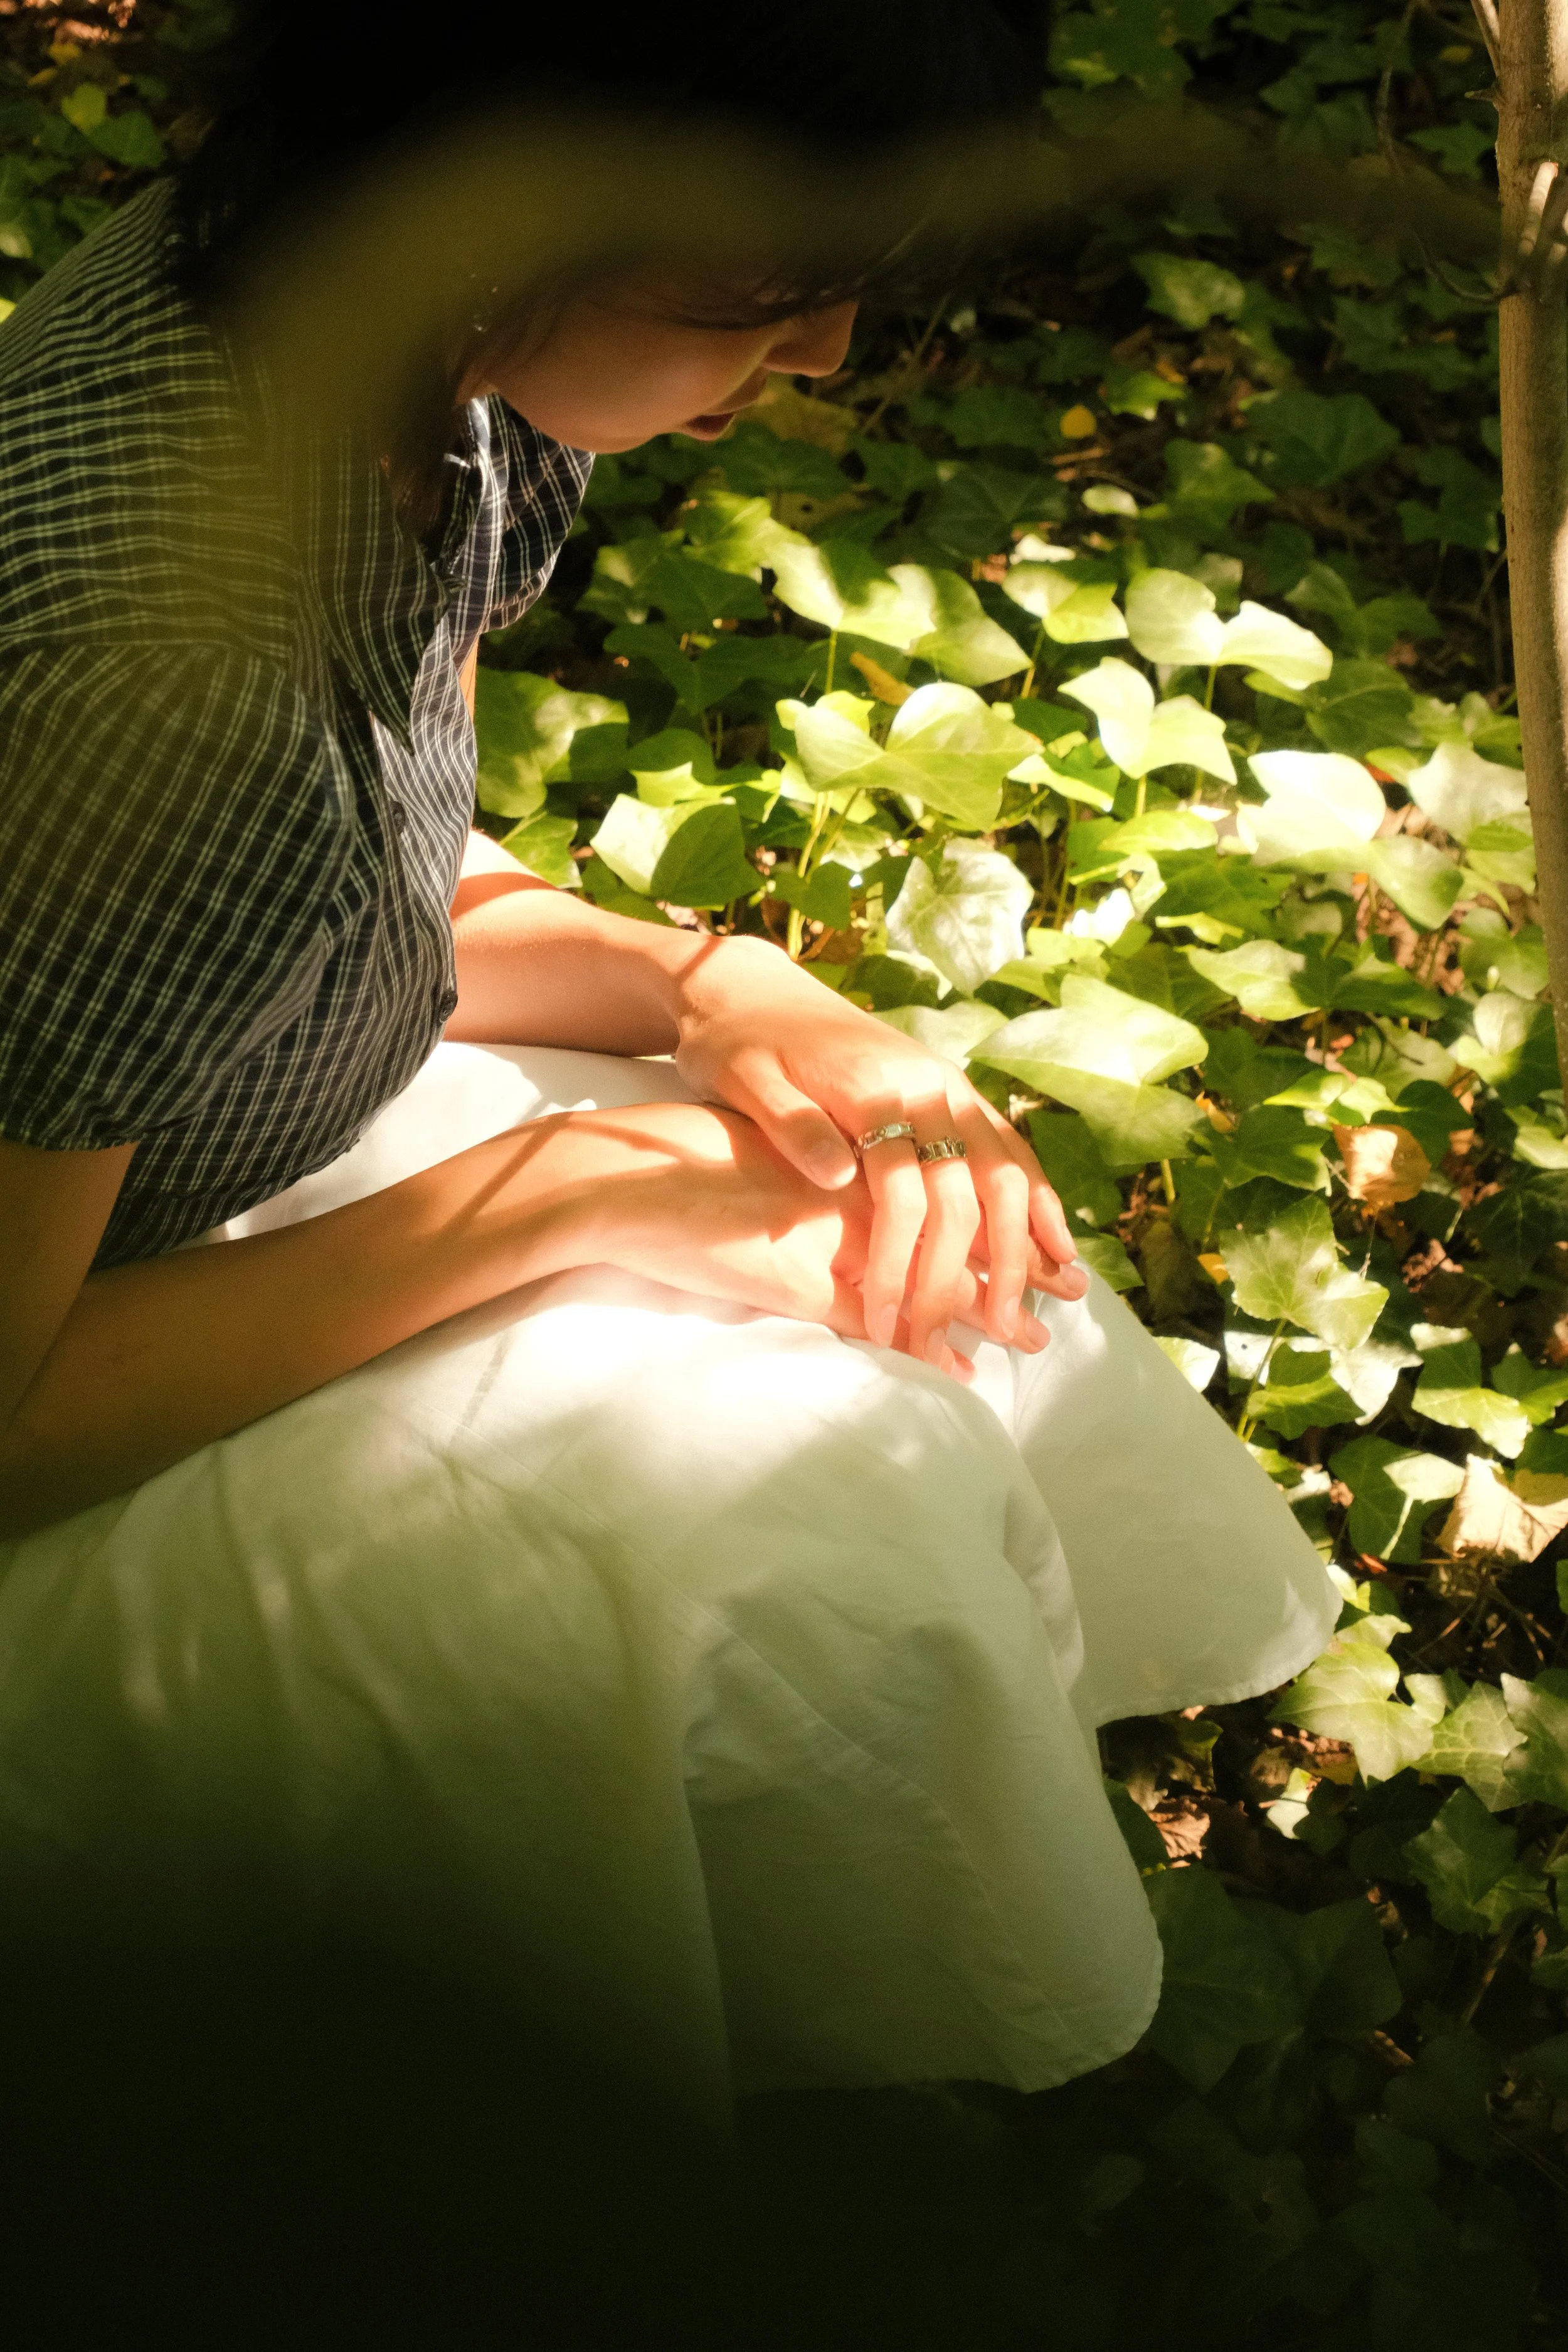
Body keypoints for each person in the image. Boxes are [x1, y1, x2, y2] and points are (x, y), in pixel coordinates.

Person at [0, 0, 1333, 2280]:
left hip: (186, 1165)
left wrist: (710, 985)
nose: (822, 352)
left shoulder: (374, 348)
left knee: (881, 1214)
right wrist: (571, 1197)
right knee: (814, 1488)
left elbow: (371, 876)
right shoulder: (162, 665)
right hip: (71, 1375)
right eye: (760, 290)